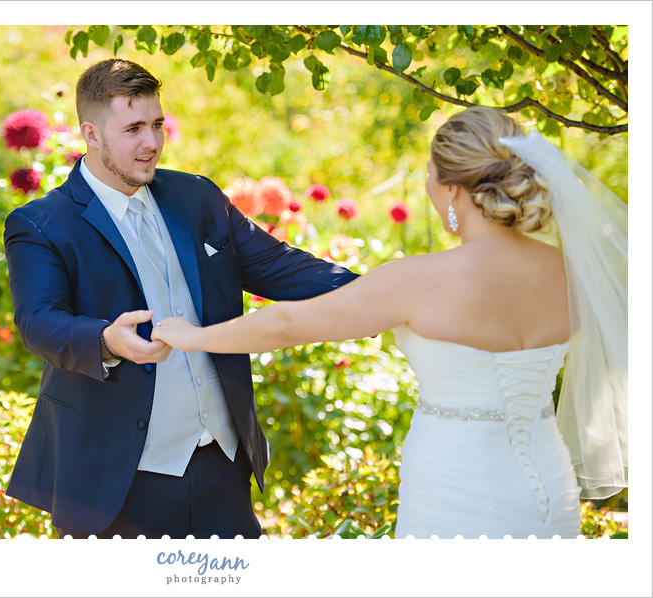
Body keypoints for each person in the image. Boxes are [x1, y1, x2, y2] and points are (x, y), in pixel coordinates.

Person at [152, 106, 628, 539]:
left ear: (453, 189)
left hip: (451, 485)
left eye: (429, 174)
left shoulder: (420, 279)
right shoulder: (572, 274)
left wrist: (193, 336)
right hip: (548, 483)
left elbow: (289, 324)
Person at [2, 58, 357, 539]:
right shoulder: (42, 224)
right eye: (133, 129)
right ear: (91, 134)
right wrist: (106, 340)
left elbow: (279, 267)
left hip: (223, 467)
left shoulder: (197, 197)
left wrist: (381, 291)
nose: (151, 143)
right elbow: (39, 321)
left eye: (156, 125)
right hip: (116, 483)